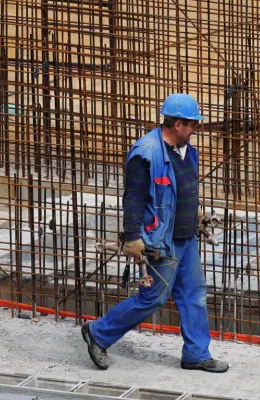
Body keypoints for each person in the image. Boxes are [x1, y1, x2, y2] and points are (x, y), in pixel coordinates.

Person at [80, 93, 229, 373]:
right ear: (177, 124)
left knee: (193, 294)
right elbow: (134, 198)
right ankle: (98, 333)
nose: (196, 128)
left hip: (185, 238)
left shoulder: (187, 152)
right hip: (161, 241)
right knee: (153, 298)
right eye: (192, 124)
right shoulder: (146, 153)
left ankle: (197, 354)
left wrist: (194, 213)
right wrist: (133, 236)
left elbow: (182, 188)